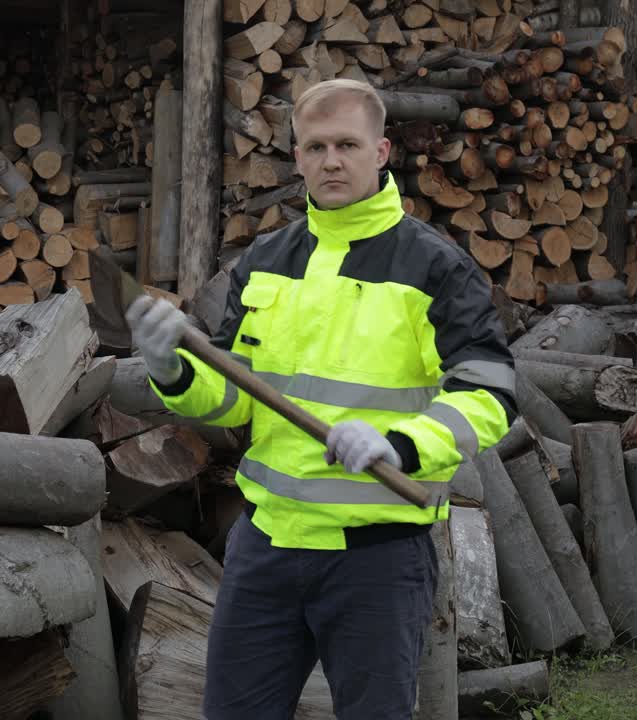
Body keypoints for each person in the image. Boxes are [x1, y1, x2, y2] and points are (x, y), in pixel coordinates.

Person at [125, 78, 517, 720]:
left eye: (347, 144)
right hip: (266, 548)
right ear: (297, 157)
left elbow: (491, 392)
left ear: (382, 150)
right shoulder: (266, 261)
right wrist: (171, 369)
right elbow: (231, 403)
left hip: (377, 559)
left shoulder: (434, 267)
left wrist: (401, 444)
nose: (331, 160)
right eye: (315, 147)